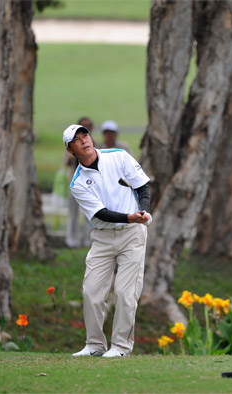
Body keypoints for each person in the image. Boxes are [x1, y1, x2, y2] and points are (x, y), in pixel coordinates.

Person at [63, 123, 152, 358]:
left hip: (132, 235)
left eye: (85, 135)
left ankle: (121, 347)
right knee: (91, 291)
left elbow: (142, 186)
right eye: (77, 140)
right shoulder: (78, 183)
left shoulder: (119, 156)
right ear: (71, 150)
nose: (84, 140)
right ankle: (95, 345)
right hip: (102, 239)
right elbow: (101, 213)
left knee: (125, 293)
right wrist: (130, 217)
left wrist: (142, 211)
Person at [64, 116, 93, 248]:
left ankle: (88, 240)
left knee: (90, 214)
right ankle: (72, 240)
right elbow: (67, 162)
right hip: (75, 184)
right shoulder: (71, 145)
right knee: (73, 213)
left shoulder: (94, 143)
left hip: (90, 185)